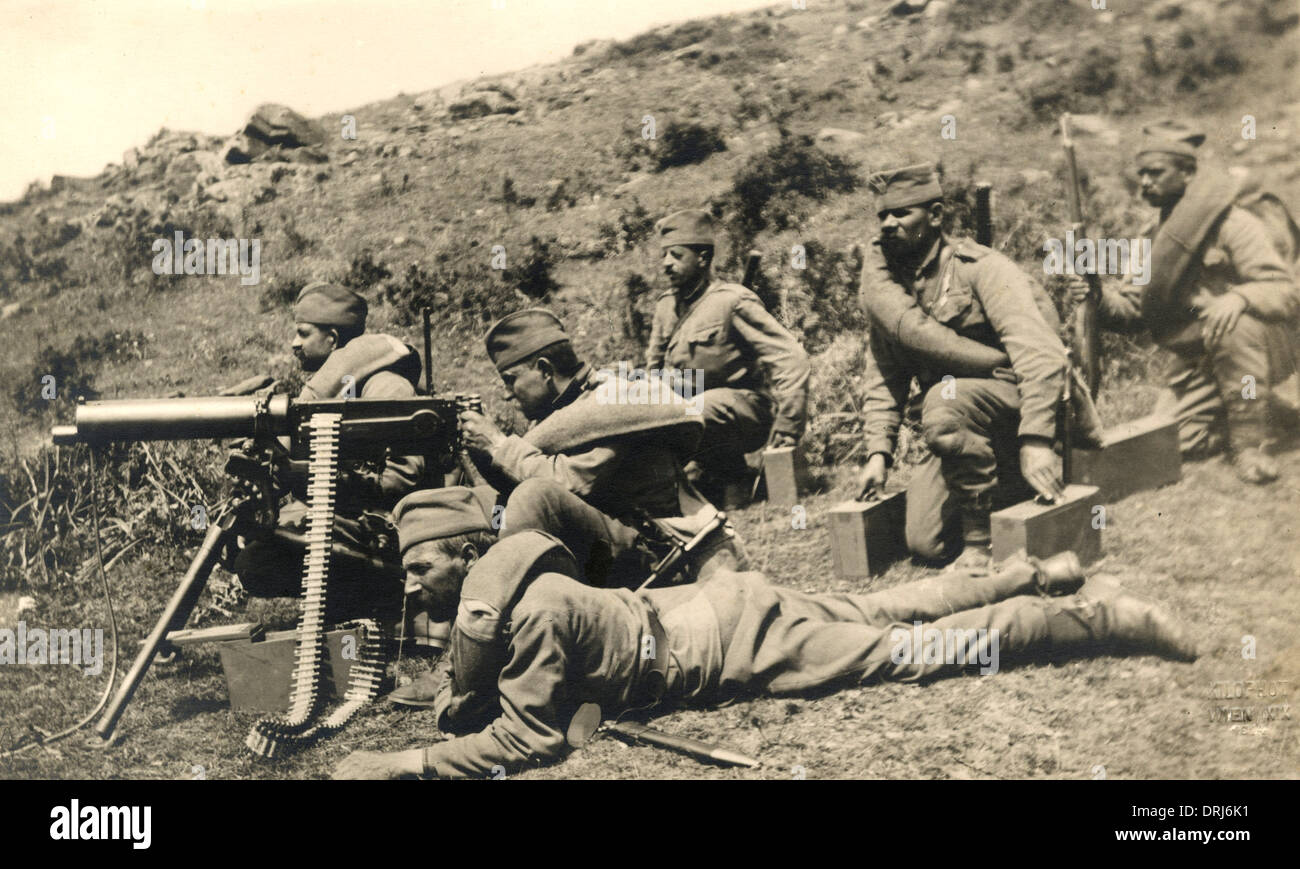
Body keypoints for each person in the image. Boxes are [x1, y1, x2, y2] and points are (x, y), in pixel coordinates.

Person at [331, 487, 1197, 780]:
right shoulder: (522, 572)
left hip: (731, 647)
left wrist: (408, 762)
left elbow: (531, 736)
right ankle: (1028, 574)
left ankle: (1102, 618)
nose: (412, 584)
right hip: (725, 603)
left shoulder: (531, 615)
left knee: (919, 648)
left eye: (420, 568)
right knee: (889, 608)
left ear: (461, 557)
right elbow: (476, 667)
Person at [856, 163, 1071, 568]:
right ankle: (1001, 484)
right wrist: (878, 453)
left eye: (901, 213)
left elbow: (1039, 353)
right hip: (958, 430)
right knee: (925, 544)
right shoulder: (893, 293)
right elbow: (885, 375)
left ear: (935, 216)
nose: (888, 224)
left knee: (943, 399)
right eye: (882, 215)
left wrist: (1038, 439)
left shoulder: (982, 269)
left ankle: (979, 543)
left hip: (1013, 406)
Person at [1065, 121, 1300, 483]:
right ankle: (1270, 413)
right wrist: (1097, 298)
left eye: (1155, 172)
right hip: (1200, 358)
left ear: (1188, 173)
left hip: (1262, 345)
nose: (1145, 182)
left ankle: (1250, 444)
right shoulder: (1153, 238)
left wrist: (1238, 297)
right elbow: (1132, 310)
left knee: (1231, 324)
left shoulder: (1231, 224)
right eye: (1142, 173)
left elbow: (1284, 290)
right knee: (1174, 443)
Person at [233, 282, 429, 625]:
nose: (294, 343)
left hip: (390, 533)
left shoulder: (386, 388)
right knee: (251, 552)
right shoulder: (335, 392)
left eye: (303, 333)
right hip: (350, 522)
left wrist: (309, 476)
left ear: (334, 340)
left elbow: (404, 481)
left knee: (261, 560)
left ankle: (381, 600)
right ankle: (355, 602)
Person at [645, 209, 811, 507]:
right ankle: (701, 476)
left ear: (703, 258)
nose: (667, 264)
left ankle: (735, 477)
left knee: (699, 407)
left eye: (676, 255)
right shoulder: (666, 308)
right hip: (690, 415)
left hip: (747, 412)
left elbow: (791, 359)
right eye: (664, 256)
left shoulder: (732, 302)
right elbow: (654, 372)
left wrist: (788, 425)